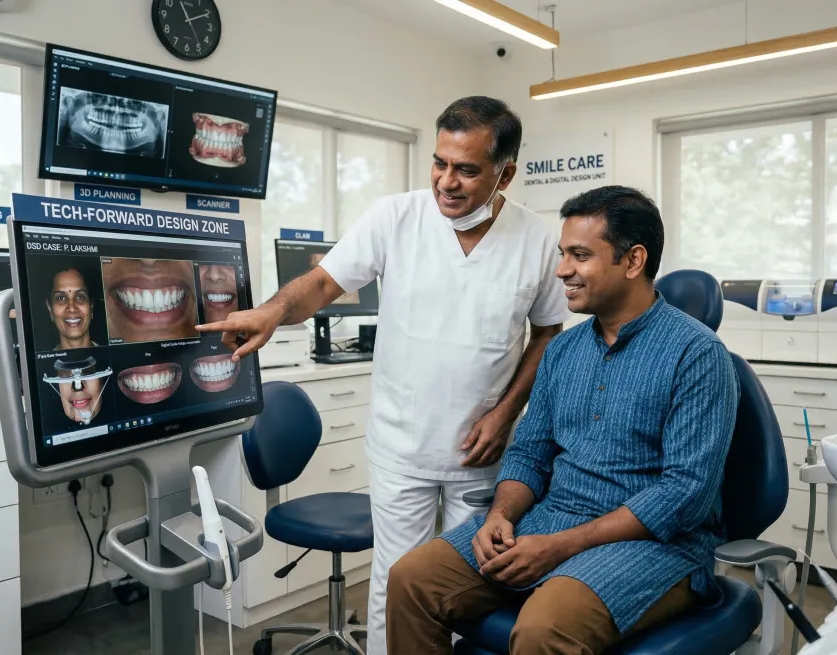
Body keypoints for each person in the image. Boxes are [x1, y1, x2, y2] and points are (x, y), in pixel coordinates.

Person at [197, 96, 570, 654]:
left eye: (467, 169)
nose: (447, 181)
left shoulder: (538, 239)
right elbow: (323, 283)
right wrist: (274, 310)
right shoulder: (396, 216)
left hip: (484, 452)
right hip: (402, 446)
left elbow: (545, 333)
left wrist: (505, 412)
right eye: (440, 163)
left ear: (505, 172)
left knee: (472, 584)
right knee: (397, 581)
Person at [385, 186, 741, 654]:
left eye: (580, 255)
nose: (562, 270)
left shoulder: (697, 355)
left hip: (658, 546)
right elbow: (530, 451)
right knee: (411, 580)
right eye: (562, 253)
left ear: (633, 261)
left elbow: (685, 494)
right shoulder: (563, 351)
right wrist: (500, 515)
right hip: (550, 519)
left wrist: (561, 546)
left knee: (544, 629)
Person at [47, 268, 96, 350]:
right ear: (50, 309)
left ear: (91, 306)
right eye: (61, 298)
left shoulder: (114, 359)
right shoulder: (43, 362)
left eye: (80, 297)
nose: (72, 308)